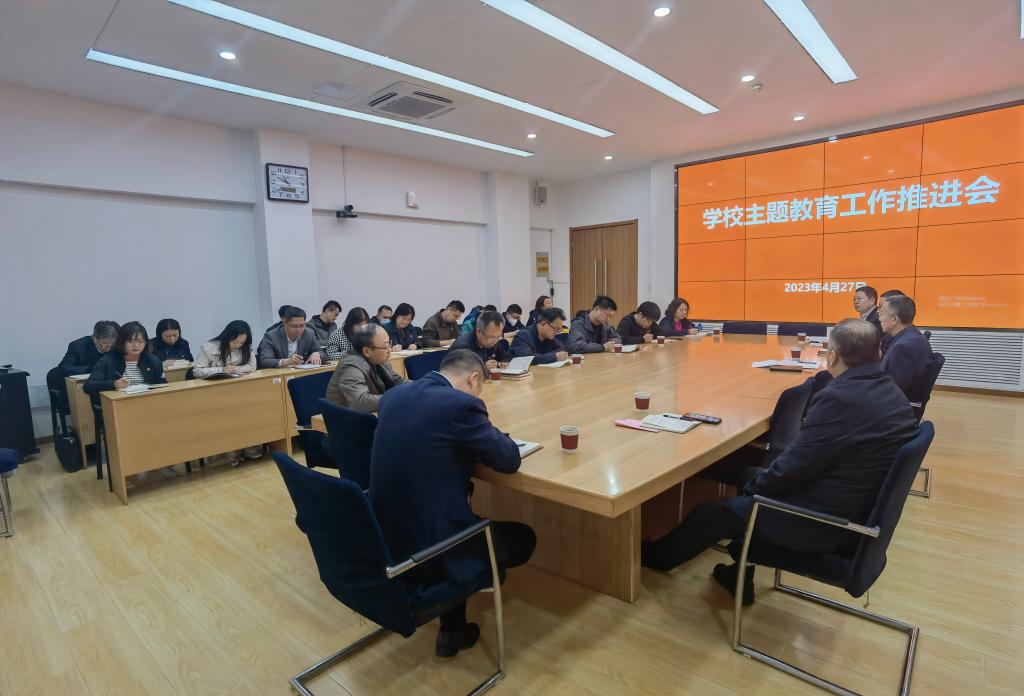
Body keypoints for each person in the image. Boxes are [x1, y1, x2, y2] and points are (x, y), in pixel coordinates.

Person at [640, 319, 918, 605]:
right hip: (856, 512)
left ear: (832, 356)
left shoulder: (840, 398)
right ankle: (740, 574)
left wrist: (754, 485)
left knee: (713, 512)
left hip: (822, 523)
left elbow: (794, 468)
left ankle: (656, 557)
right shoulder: (890, 391)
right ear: (878, 353)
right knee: (748, 477)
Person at [370, 349, 536, 657]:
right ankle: (454, 593)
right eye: (479, 388)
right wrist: (493, 434)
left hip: (385, 539)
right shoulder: (460, 405)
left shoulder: (394, 396)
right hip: (433, 548)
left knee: (445, 503)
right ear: (473, 379)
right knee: (524, 538)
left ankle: (453, 628)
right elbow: (508, 459)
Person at [193, 321, 262, 464]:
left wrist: (235, 369)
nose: (237, 345)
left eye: (241, 343)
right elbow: (197, 371)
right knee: (227, 422)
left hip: (240, 391)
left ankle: (250, 448)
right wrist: (221, 370)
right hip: (216, 394)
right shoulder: (209, 347)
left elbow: (252, 366)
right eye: (235, 342)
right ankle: (231, 453)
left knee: (247, 417)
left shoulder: (245, 347)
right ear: (227, 336)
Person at [325, 325, 405, 412]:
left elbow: (395, 380)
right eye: (386, 346)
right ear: (367, 351)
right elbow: (361, 402)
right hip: (346, 417)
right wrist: (396, 398)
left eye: (389, 344)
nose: (389, 350)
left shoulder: (381, 360)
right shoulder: (350, 366)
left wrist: (414, 387)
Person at [84, 322, 166, 399]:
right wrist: (113, 384)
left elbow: (163, 385)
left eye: (141, 341)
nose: (136, 345)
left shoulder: (153, 360)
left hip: (148, 401)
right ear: (121, 342)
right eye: (131, 341)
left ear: (145, 343)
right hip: (118, 403)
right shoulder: (107, 361)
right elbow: (88, 386)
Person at [879, 294, 932, 396]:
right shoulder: (912, 337)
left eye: (882, 314)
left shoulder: (903, 347)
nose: (880, 319)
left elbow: (892, 389)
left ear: (894, 319)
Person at [257, 306, 322, 368]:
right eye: (294, 326)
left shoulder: (309, 333)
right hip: (281, 373)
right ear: (285, 323)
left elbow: (322, 353)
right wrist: (286, 362)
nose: (298, 330)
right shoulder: (271, 336)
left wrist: (317, 353)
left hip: (303, 373)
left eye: (302, 326)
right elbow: (264, 361)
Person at [878, 289, 906, 354]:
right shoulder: (890, 334)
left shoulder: (903, 344)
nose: (878, 311)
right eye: (879, 307)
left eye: (882, 307)